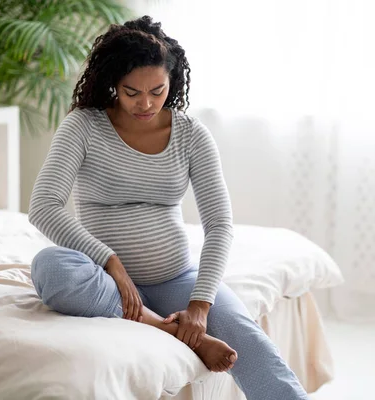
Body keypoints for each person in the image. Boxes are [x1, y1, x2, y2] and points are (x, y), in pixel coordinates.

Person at [28, 15, 308, 399]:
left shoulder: (191, 135)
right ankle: (166, 328)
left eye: (157, 91)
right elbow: (43, 206)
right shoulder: (83, 126)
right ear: (113, 82)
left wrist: (199, 305)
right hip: (102, 279)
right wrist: (111, 263)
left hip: (176, 278)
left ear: (173, 82)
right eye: (131, 93)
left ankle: (164, 320)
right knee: (51, 268)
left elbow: (220, 224)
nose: (145, 103)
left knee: (253, 347)